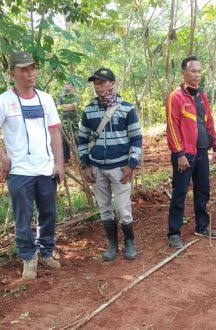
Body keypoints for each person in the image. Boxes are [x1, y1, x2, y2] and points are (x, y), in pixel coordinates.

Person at [0, 51, 64, 280]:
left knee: (48, 213)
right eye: (24, 70)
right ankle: (29, 257)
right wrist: (3, 157)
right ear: (12, 74)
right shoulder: (3, 101)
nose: (30, 74)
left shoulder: (46, 99)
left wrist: (59, 163)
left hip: (46, 170)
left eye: (33, 69)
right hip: (20, 172)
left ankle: (46, 251)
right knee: (23, 217)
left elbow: (55, 131)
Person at [77, 68, 142, 261]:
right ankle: (112, 244)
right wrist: (85, 164)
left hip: (120, 168)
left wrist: (131, 165)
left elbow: (136, 139)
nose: (99, 86)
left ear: (112, 84)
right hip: (97, 168)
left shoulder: (127, 109)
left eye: (103, 82)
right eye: (96, 83)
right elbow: (82, 140)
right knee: (104, 209)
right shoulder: (88, 110)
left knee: (123, 210)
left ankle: (129, 242)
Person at [165, 56, 216, 249]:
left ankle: (202, 226)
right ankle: (174, 232)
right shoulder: (176, 97)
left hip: (201, 152)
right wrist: (179, 153)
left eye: (199, 71)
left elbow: (209, 122)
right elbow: (172, 127)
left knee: (203, 190)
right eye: (193, 71)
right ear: (183, 73)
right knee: (180, 192)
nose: (197, 75)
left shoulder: (201, 97)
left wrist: (215, 146)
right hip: (184, 154)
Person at [56, 82, 80, 163]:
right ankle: (66, 157)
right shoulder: (61, 97)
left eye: (68, 84)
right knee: (65, 140)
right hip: (64, 121)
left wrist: (65, 106)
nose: (66, 86)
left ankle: (79, 156)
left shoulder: (76, 96)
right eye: (65, 85)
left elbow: (75, 105)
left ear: (72, 87)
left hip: (74, 121)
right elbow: (58, 107)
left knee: (76, 139)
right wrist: (69, 106)